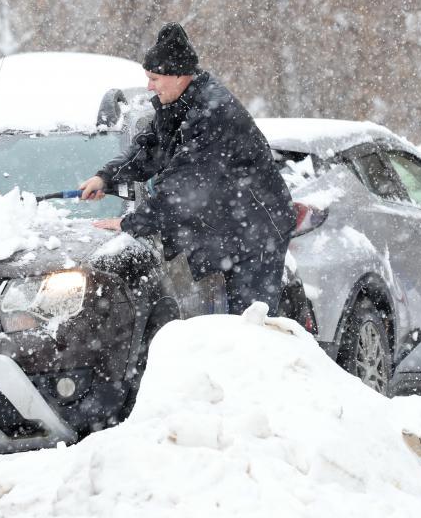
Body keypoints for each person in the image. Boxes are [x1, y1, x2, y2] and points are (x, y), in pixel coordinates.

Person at [79, 23, 295, 314]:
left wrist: (131, 223)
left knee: (251, 321)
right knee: (229, 323)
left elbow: (182, 191)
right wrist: (105, 178)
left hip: (256, 232)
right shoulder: (178, 104)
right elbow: (150, 148)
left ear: (179, 75)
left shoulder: (213, 114)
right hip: (228, 228)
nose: (149, 86)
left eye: (154, 79)